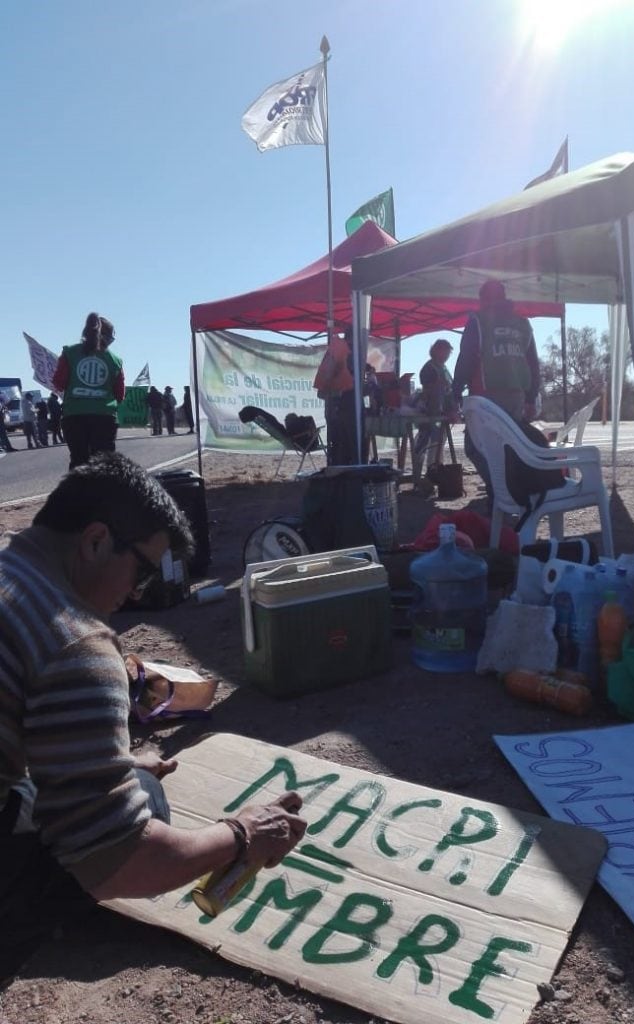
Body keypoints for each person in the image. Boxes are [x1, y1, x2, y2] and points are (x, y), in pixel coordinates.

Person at [0, 452, 307, 982]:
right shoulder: (73, 641)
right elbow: (125, 859)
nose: (140, 591)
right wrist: (240, 833)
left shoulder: (12, 575)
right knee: (147, 804)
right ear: (96, 540)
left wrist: (112, 764)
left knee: (123, 783)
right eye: (143, 568)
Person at [452, 280, 541, 508]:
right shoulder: (522, 324)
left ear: (483, 299)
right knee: (509, 446)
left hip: (486, 396)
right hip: (517, 396)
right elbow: (532, 363)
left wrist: (454, 394)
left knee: (476, 446)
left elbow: (466, 359)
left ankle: (503, 491)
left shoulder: (479, 321)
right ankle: (507, 491)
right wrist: (531, 397)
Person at [52, 313, 125, 469]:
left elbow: (59, 383)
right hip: (104, 417)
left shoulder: (70, 353)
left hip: (74, 416)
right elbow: (120, 394)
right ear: (107, 337)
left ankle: (77, 493)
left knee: (79, 461)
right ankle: (103, 493)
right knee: (104, 464)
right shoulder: (115, 360)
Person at [413, 338, 457, 481]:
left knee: (439, 443)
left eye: (448, 353)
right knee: (429, 443)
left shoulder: (443, 368)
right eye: (444, 352)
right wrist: (438, 385)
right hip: (431, 411)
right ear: (436, 351)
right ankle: (429, 472)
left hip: (443, 411)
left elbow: (449, 389)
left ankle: (436, 470)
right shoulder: (429, 368)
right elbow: (428, 390)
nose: (446, 356)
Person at [313, 329, 357, 465]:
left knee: (340, 444)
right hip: (338, 408)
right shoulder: (340, 353)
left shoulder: (338, 352)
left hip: (338, 407)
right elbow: (326, 386)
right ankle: (340, 473)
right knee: (341, 444)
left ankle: (339, 470)